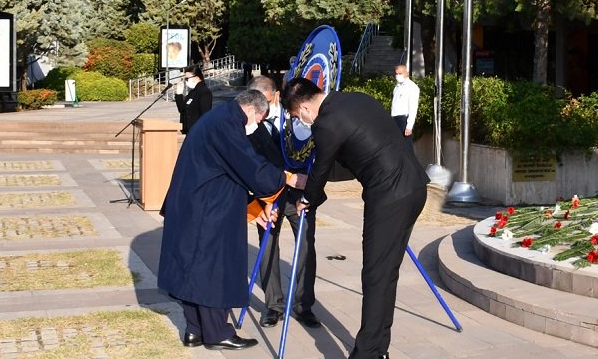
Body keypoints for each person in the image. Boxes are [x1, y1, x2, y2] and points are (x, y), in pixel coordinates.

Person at [282, 77, 430, 359]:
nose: (299, 121)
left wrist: (305, 199)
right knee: (386, 273)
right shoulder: (355, 99)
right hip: (415, 187)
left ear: (301, 108)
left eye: (294, 116)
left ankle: (366, 353)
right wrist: (311, 182)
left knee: (375, 276)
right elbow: (358, 154)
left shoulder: (325, 122)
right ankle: (378, 349)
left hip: (389, 196)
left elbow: (322, 169)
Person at [158, 89, 305, 351]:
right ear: (252, 110)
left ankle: (195, 329)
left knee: (192, 267)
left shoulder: (218, 118)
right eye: (259, 120)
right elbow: (249, 166)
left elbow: (226, 171)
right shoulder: (228, 125)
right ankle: (217, 333)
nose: (257, 126)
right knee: (213, 269)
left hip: (195, 203)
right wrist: (287, 178)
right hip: (207, 209)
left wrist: (254, 208)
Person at [245, 75, 320, 329]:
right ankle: (273, 306)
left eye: (264, 102)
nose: (261, 111)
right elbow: (250, 165)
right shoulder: (248, 124)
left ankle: (303, 305)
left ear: (275, 96)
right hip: (267, 198)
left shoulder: (295, 113)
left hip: (300, 197)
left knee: (306, 247)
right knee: (267, 249)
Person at [174, 65, 212, 134]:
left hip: (197, 132)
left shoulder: (204, 92)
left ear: (196, 77)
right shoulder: (192, 92)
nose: (186, 81)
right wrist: (179, 95)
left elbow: (205, 115)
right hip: (188, 131)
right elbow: (182, 109)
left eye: (187, 78)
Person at [390, 64, 420, 141]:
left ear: (406, 73)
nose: (398, 76)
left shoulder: (411, 87)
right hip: (394, 119)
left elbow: (413, 108)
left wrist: (409, 126)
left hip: (403, 120)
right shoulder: (397, 87)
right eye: (396, 74)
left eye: (400, 73)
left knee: (406, 144)